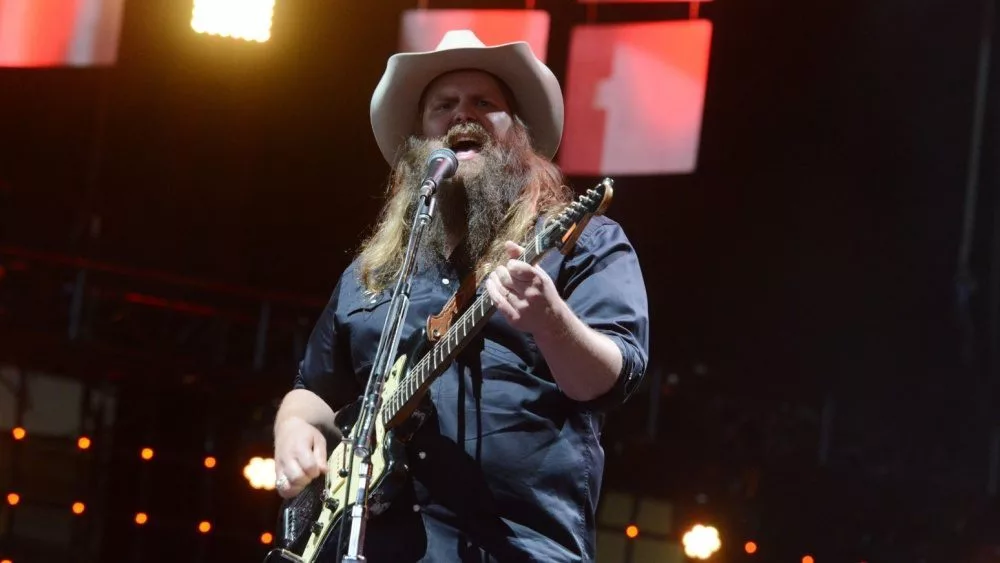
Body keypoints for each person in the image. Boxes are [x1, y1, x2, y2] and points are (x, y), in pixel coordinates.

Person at [272, 30, 650, 562]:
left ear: (517, 133)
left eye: (484, 103)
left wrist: (550, 319)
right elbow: (313, 388)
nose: (461, 115)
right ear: (419, 145)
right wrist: (291, 426)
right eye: (443, 106)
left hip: (517, 548)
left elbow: (612, 377)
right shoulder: (375, 272)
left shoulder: (582, 242)